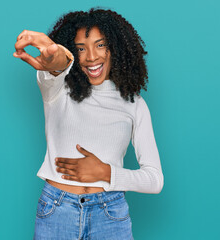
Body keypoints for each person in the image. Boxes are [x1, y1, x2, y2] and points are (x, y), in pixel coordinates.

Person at [13, 8, 164, 240]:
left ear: (116, 47)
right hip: (57, 211)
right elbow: (58, 65)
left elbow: (154, 180)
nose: (92, 57)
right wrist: (53, 54)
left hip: (110, 214)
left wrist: (106, 172)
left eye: (100, 45)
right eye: (81, 49)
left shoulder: (134, 103)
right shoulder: (57, 89)